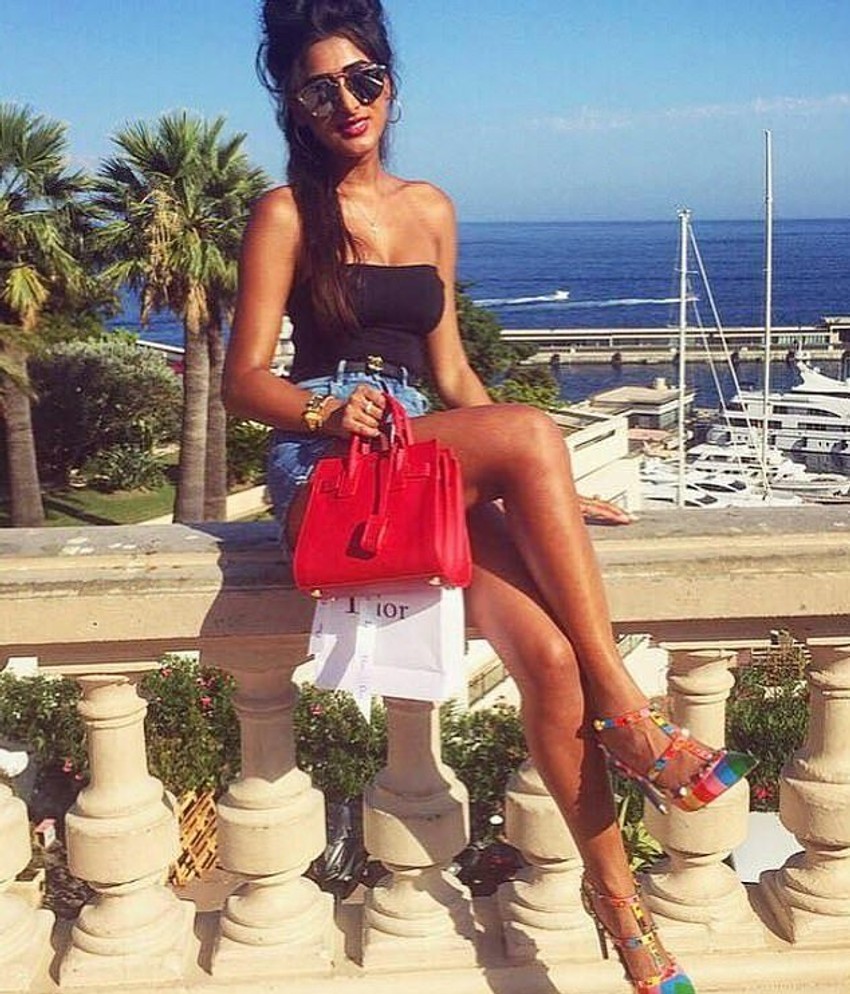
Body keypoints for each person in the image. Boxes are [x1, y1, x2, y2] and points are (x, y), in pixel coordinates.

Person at [223, 3, 754, 991]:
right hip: (332, 459)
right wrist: (329, 414)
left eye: (363, 80)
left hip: (427, 449)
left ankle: (623, 912)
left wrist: (540, 487)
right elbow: (244, 381)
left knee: (548, 659)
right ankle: (631, 715)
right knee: (531, 436)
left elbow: (456, 376)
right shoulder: (285, 213)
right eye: (320, 90)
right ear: (294, 106)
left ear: (390, 84)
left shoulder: (430, 207)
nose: (348, 102)